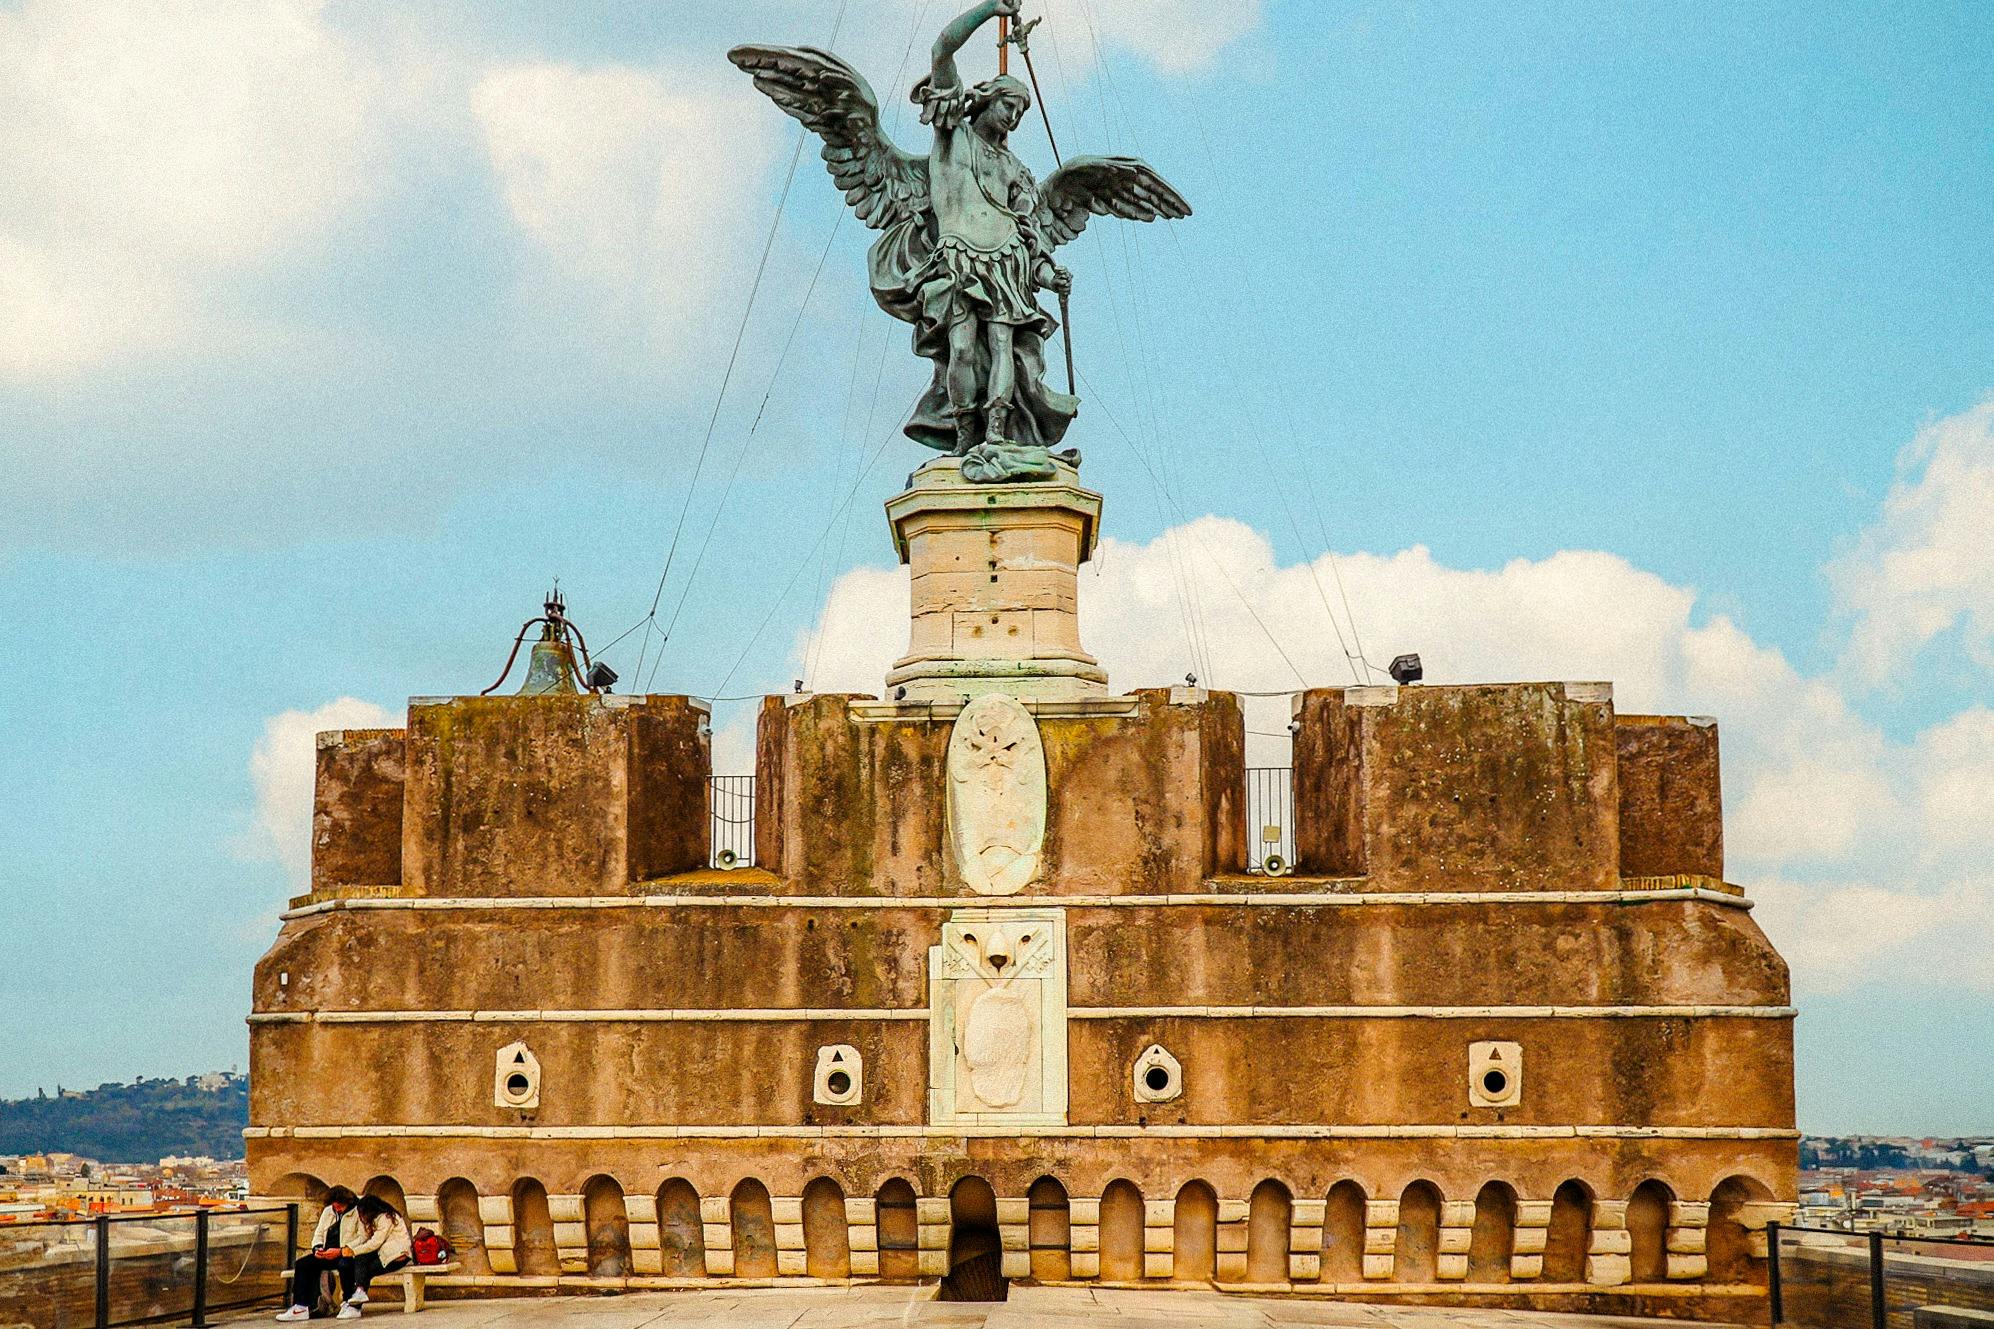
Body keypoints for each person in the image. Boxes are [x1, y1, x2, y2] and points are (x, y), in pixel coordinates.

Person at [275, 1186, 359, 1321]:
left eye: (340, 1206)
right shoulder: (328, 1212)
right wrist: (317, 1248)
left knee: (345, 1265)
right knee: (303, 1264)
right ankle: (301, 1306)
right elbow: (319, 1233)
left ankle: (349, 1303)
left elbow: (361, 1238)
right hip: (328, 1252)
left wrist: (341, 1251)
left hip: (347, 1253)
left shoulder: (357, 1213)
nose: (337, 1209)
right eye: (335, 1206)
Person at [335, 1194, 414, 1318]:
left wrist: (354, 1251)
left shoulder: (386, 1218)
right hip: (386, 1254)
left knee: (364, 1269)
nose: (361, 1216)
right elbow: (366, 1238)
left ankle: (355, 1304)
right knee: (361, 1263)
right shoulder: (375, 1220)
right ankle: (356, 1297)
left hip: (397, 1256)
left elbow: (375, 1243)